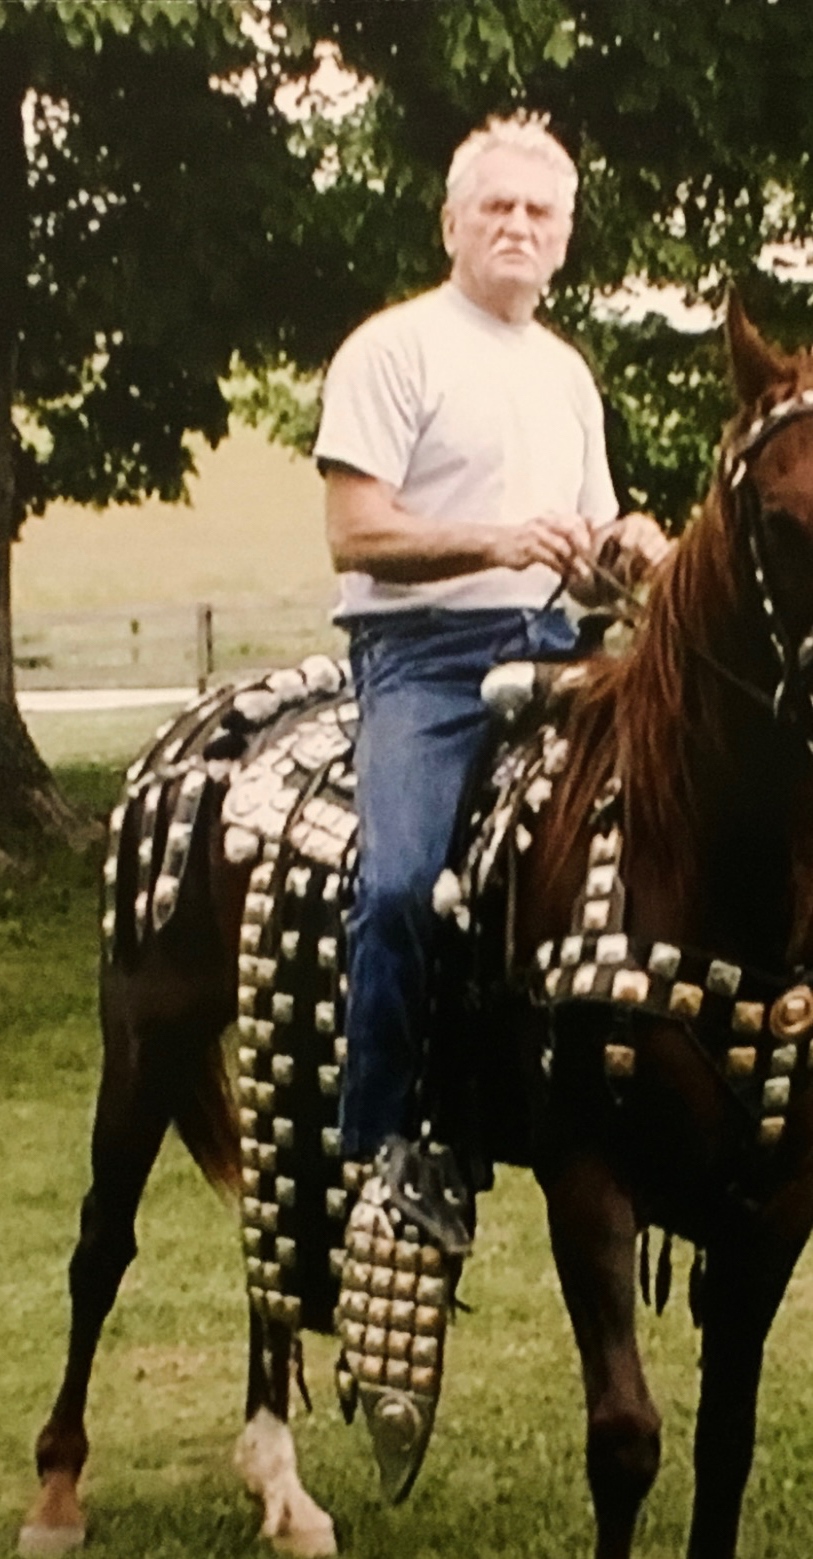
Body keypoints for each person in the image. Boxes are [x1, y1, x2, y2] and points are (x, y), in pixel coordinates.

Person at [314, 114, 668, 1166]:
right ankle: (378, 1144)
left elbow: (589, 545)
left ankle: (613, 1107)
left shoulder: (564, 372)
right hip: (422, 656)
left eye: (539, 212)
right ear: (452, 225)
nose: (518, 226)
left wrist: (631, 544)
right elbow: (355, 530)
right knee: (398, 887)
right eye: (496, 208)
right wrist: (499, 538)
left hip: (556, 646)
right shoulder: (392, 347)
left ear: (564, 238)